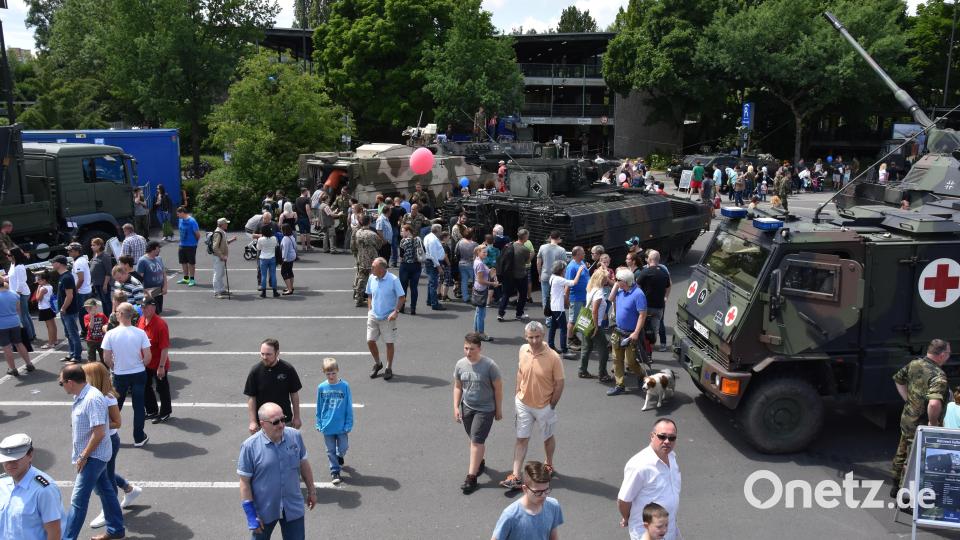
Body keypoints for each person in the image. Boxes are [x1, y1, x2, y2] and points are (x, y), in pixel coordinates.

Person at [59, 363, 126, 540]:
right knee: (106, 490)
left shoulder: (92, 399)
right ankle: (116, 530)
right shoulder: (82, 396)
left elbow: (99, 432)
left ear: (70, 382)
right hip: (94, 455)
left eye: (61, 383)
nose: (62, 386)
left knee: (78, 501)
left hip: (93, 457)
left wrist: (83, 456)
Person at [238, 402, 316, 540]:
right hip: (264, 510)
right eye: (275, 422)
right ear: (262, 424)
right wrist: (251, 515)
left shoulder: (295, 436)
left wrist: (312, 491)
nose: (281, 425)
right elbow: (244, 482)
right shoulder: (249, 447)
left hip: (292, 506)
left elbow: (304, 465)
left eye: (283, 419)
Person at [500, 321, 564, 490]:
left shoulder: (553, 357)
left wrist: (552, 405)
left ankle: (549, 464)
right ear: (525, 336)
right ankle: (515, 475)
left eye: (537, 337)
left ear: (543, 336)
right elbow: (520, 372)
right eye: (531, 337)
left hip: (544, 406)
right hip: (523, 403)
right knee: (521, 439)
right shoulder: (522, 350)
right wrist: (517, 393)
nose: (534, 341)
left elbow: (559, 383)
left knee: (547, 437)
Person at [82, 362, 142, 530]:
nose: (81, 380)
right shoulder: (87, 395)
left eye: (84, 376)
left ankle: (108, 511)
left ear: (93, 378)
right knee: (103, 473)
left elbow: (117, 422)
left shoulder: (107, 398)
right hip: (96, 440)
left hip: (107, 441)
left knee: (103, 479)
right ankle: (129, 489)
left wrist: (96, 425)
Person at [891, 339, 951, 496]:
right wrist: (933, 422)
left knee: (902, 448)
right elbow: (933, 404)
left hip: (907, 417)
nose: (949, 357)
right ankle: (903, 498)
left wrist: (908, 400)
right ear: (942, 354)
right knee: (912, 458)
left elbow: (898, 379)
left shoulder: (915, 363)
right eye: (948, 354)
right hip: (921, 423)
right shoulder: (939, 376)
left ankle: (894, 484)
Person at [454, 332, 503, 494]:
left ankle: (471, 477)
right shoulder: (460, 365)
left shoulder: (490, 366)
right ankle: (479, 462)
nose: (468, 352)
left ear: (480, 348)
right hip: (467, 407)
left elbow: (498, 389)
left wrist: (498, 409)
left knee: (476, 441)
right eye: (466, 348)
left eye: (472, 349)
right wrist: (456, 406)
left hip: (485, 409)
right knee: (474, 439)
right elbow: (458, 386)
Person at [618, 418, 682, 540]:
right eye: (662, 436)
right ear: (652, 436)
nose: (667, 441)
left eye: (672, 438)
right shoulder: (639, 465)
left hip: (670, 528)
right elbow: (624, 500)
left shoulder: (672, 457)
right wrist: (627, 518)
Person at [102, 302, 152, 447]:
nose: (115, 313)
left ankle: (107, 434)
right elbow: (148, 356)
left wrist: (115, 367)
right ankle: (138, 437)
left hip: (120, 375)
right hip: (138, 373)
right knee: (139, 405)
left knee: (115, 406)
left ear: (121, 314)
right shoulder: (140, 332)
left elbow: (106, 358)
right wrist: (140, 365)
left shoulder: (111, 334)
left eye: (117, 311)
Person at [0, 433, 63, 540]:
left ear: (30, 455)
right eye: (6, 460)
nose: (10, 464)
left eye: (16, 459)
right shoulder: (2, 483)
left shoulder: (44, 490)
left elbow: (54, 533)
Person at [493, 461, 564, 540]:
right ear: (525, 489)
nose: (544, 495)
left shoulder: (553, 506)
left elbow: (553, 536)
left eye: (546, 490)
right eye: (538, 492)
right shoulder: (510, 515)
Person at [245, 338, 303, 433]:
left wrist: (296, 417)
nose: (264, 357)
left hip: (284, 421)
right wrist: (252, 421)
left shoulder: (288, 369)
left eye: (268, 354)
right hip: (263, 423)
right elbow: (252, 397)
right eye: (262, 353)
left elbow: (294, 394)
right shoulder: (255, 371)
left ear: (277, 353)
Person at [607, 268, 648, 396]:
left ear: (626, 282)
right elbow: (610, 298)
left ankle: (641, 374)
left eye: (618, 280)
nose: (616, 282)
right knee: (616, 359)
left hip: (630, 334)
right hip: (618, 331)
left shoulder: (638, 294)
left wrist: (636, 332)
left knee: (629, 361)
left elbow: (642, 315)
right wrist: (616, 284)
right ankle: (620, 385)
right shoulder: (620, 290)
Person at [316, 357, 353, 485]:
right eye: (328, 374)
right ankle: (335, 471)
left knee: (343, 446)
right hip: (327, 425)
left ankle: (339, 455)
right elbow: (319, 406)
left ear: (337, 371)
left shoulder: (344, 386)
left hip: (342, 425)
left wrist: (349, 423)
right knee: (329, 450)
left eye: (333, 373)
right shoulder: (322, 387)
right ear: (324, 373)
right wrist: (319, 422)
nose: (331, 376)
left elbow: (348, 405)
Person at [366, 258, 405, 380]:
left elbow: (402, 297)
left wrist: (396, 311)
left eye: (373, 266)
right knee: (370, 341)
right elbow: (369, 294)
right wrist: (369, 309)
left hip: (387, 317)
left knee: (389, 343)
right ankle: (378, 364)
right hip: (373, 315)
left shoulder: (393, 280)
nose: (371, 268)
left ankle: (388, 367)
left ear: (382, 268)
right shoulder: (372, 278)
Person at [138, 296, 171, 423]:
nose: (143, 309)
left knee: (162, 388)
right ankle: (152, 410)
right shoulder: (141, 320)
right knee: (145, 386)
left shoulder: (161, 325)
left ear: (153, 307)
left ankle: (165, 412)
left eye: (146, 306)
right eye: (142, 306)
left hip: (158, 363)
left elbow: (164, 347)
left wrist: (161, 366)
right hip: (146, 362)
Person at [547, 260, 585, 356]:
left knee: (553, 327)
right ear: (561, 270)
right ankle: (564, 350)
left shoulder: (553, 277)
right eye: (564, 269)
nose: (565, 271)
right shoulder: (559, 279)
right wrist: (579, 271)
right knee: (563, 329)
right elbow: (574, 282)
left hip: (554, 306)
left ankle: (551, 346)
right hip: (558, 308)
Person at [579, 269, 610, 380]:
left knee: (586, 348)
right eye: (606, 277)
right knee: (604, 350)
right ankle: (602, 374)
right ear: (602, 279)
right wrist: (597, 326)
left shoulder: (591, 288)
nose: (608, 279)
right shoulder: (599, 292)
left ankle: (582, 370)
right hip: (595, 324)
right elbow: (594, 310)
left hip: (586, 322)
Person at [637, 250, 671, 352]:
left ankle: (642, 350)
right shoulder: (664, 272)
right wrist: (666, 297)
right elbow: (669, 286)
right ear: (658, 259)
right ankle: (649, 351)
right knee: (653, 332)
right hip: (659, 307)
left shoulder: (645, 272)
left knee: (642, 329)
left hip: (646, 307)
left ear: (650, 259)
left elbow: (637, 287)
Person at [52, 255, 84, 363]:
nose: (52, 264)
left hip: (68, 311)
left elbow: (69, 295)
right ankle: (72, 354)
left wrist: (63, 308)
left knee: (73, 334)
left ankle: (77, 356)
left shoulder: (67, 277)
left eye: (53, 262)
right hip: (65, 311)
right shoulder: (63, 276)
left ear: (59, 263)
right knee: (68, 334)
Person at [0, 276, 34, 376]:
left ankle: (13, 368)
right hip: (15, 322)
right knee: (19, 343)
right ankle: (29, 363)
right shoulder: (14, 294)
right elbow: (18, 309)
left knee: (6, 347)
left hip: (2, 324)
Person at [496, 229, 531, 322]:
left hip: (508, 275)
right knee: (523, 295)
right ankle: (519, 314)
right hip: (520, 275)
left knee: (506, 294)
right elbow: (527, 261)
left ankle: (500, 313)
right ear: (525, 237)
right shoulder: (525, 250)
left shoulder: (508, 245)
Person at [353, 214, 383, 308]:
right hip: (372, 260)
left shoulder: (357, 233)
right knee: (377, 279)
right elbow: (379, 245)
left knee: (361, 279)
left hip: (361, 258)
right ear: (369, 222)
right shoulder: (372, 234)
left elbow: (353, 245)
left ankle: (359, 299)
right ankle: (376, 299)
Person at [563, 247, 588, 352]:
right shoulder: (571, 267)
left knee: (582, 319)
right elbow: (567, 284)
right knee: (573, 320)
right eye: (582, 252)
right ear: (577, 254)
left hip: (584, 296)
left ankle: (575, 337)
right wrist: (566, 299)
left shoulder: (581, 262)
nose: (584, 254)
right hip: (576, 297)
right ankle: (570, 341)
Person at [472, 245, 499, 341]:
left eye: (486, 252)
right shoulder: (479, 264)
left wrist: (491, 271)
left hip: (478, 288)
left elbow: (486, 273)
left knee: (478, 312)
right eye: (483, 252)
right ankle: (481, 333)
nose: (486, 253)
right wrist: (493, 283)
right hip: (481, 289)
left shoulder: (478, 261)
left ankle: (476, 332)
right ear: (478, 252)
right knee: (481, 314)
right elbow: (480, 280)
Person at [397, 225, 424, 315]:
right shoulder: (418, 239)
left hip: (405, 266)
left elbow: (401, 256)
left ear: (408, 231)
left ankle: (402, 307)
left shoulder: (403, 241)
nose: (401, 233)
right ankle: (413, 308)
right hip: (416, 266)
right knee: (414, 288)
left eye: (403, 231)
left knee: (403, 288)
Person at [136, 240, 168, 313]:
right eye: (158, 248)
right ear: (153, 249)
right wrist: (144, 292)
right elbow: (139, 279)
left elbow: (163, 273)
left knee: (158, 312)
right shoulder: (142, 261)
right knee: (151, 313)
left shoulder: (159, 258)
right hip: (149, 292)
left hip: (159, 291)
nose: (159, 250)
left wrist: (165, 287)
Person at [536, 231, 566, 308]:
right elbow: (563, 266)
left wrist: (539, 274)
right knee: (555, 298)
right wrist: (563, 278)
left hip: (545, 275)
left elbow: (538, 262)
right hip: (556, 277)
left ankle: (548, 318)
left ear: (550, 237)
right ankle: (554, 317)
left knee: (545, 298)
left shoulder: (542, 247)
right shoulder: (562, 250)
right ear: (559, 238)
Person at [423, 223, 448, 311]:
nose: (441, 232)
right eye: (440, 230)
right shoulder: (433, 240)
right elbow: (433, 254)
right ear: (437, 230)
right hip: (434, 262)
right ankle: (434, 303)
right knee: (434, 283)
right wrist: (438, 266)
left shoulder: (428, 237)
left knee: (431, 283)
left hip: (431, 261)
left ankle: (430, 301)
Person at [211, 217, 236, 299]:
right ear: (222, 225)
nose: (227, 224)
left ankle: (221, 289)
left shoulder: (222, 232)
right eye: (226, 223)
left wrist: (231, 240)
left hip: (222, 257)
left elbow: (223, 243)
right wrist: (222, 256)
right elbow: (215, 247)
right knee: (217, 274)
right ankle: (216, 292)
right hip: (219, 257)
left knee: (221, 274)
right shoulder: (218, 233)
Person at [176, 206, 201, 286]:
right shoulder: (180, 220)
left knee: (191, 263)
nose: (178, 216)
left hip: (191, 245)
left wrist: (194, 242)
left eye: (178, 214)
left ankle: (192, 279)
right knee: (183, 262)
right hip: (182, 244)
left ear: (182, 213)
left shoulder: (192, 221)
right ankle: (186, 279)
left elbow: (198, 234)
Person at [90, 237, 115, 313]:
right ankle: (106, 317)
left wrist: (105, 284)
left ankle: (111, 317)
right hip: (97, 283)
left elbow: (108, 272)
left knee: (107, 301)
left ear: (99, 245)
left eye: (94, 245)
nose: (92, 247)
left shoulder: (105, 256)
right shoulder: (96, 255)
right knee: (103, 302)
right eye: (92, 245)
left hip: (103, 284)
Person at [34, 271, 58, 350]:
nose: (38, 281)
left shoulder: (42, 288)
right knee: (53, 325)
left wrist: (38, 288)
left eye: (39, 280)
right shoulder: (49, 286)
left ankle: (51, 343)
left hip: (45, 308)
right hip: (49, 307)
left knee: (49, 326)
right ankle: (55, 340)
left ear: (44, 280)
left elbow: (38, 299)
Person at [256, 222, 280, 298]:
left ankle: (263, 292)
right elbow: (276, 246)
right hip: (272, 258)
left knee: (263, 275)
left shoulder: (260, 239)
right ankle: (275, 291)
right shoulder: (274, 238)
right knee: (273, 275)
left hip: (263, 258)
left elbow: (258, 248)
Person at [83, 298, 108, 363]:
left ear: (96, 307)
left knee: (103, 357)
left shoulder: (102, 315)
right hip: (91, 340)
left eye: (90, 307)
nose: (88, 309)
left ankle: (105, 370)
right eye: (86, 308)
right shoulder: (86, 316)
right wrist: (92, 316)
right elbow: (90, 327)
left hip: (101, 340)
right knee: (91, 359)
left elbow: (107, 325)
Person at [456, 230, 478, 303]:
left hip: (462, 262)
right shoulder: (475, 244)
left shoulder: (460, 242)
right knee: (475, 281)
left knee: (464, 281)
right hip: (471, 263)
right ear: (472, 235)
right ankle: (475, 297)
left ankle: (465, 297)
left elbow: (456, 252)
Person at [294, 188, 313, 252]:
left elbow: (295, 209)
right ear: (305, 192)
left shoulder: (297, 199)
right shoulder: (306, 199)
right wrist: (310, 218)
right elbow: (307, 209)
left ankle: (303, 247)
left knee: (301, 232)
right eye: (307, 192)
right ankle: (308, 246)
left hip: (299, 218)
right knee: (308, 232)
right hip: (305, 217)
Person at [280, 224, 297, 295]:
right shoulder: (292, 237)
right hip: (293, 255)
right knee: (290, 271)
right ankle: (291, 287)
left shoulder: (285, 238)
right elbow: (295, 246)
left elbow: (285, 250)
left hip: (288, 257)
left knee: (283, 272)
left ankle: (289, 289)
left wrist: (283, 258)